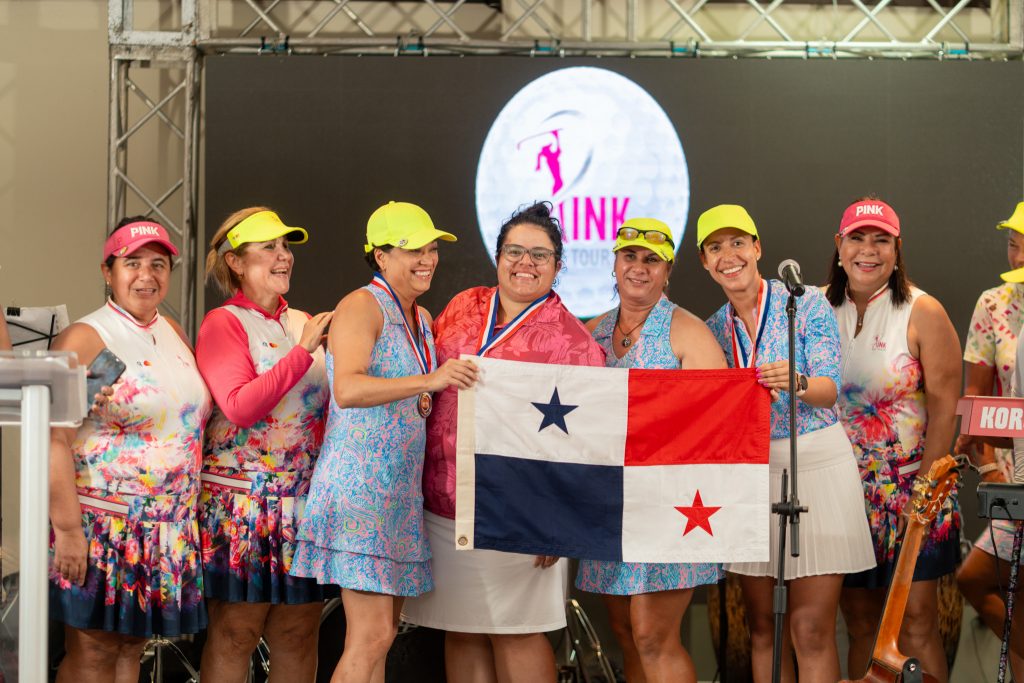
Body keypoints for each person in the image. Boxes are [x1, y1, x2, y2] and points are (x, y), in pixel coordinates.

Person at [401, 202, 606, 683]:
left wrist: (556, 520)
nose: (525, 263)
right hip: (446, 501)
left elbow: (587, 442)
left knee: (517, 632)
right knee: (463, 629)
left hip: (521, 511)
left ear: (558, 265)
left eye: (540, 254)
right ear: (498, 257)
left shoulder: (574, 342)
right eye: (514, 251)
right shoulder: (464, 305)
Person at [291, 201, 477, 683]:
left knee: (383, 636)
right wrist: (430, 380)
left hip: (397, 494)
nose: (427, 259)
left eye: (432, 249)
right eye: (414, 250)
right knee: (371, 637)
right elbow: (348, 389)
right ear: (380, 256)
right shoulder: (361, 305)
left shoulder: (421, 316)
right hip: (360, 492)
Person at [699, 204, 874, 683]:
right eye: (715, 247)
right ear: (704, 262)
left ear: (757, 248)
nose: (729, 255)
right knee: (763, 630)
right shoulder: (713, 330)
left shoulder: (805, 302)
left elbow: (829, 390)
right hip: (753, 473)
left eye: (738, 243)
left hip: (817, 464)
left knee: (810, 629)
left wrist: (796, 381)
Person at [48, 217, 211, 682]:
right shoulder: (88, 338)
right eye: (132, 263)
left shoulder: (172, 331)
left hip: (164, 528)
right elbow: (53, 439)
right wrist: (68, 530)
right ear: (108, 271)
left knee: (130, 650)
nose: (146, 275)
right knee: (95, 651)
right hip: (103, 526)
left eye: (158, 264)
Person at [574, 218, 726, 683]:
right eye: (630, 256)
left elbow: (716, 421)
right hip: (611, 503)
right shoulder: (594, 332)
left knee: (652, 635)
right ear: (614, 264)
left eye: (652, 259)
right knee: (625, 631)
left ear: (668, 271)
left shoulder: (688, 332)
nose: (639, 267)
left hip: (670, 503)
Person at [825, 197, 962, 682]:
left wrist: (922, 497)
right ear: (839, 245)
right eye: (857, 238)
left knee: (916, 622)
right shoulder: (817, 308)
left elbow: (945, 409)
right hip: (842, 494)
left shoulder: (923, 311)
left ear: (897, 248)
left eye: (880, 240)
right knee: (861, 622)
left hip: (913, 491)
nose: (868, 250)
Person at [195, 208, 334, 682]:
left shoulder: (303, 321)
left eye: (286, 246)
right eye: (269, 247)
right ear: (235, 262)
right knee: (237, 631)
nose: (283, 256)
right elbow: (239, 406)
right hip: (242, 504)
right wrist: (303, 352)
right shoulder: (224, 322)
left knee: (299, 632)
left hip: (302, 502)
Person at [954, 201, 1024, 680]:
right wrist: (992, 471)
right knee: (978, 579)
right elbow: (975, 405)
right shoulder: (993, 304)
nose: (1015, 254)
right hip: (1015, 480)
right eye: (1012, 243)